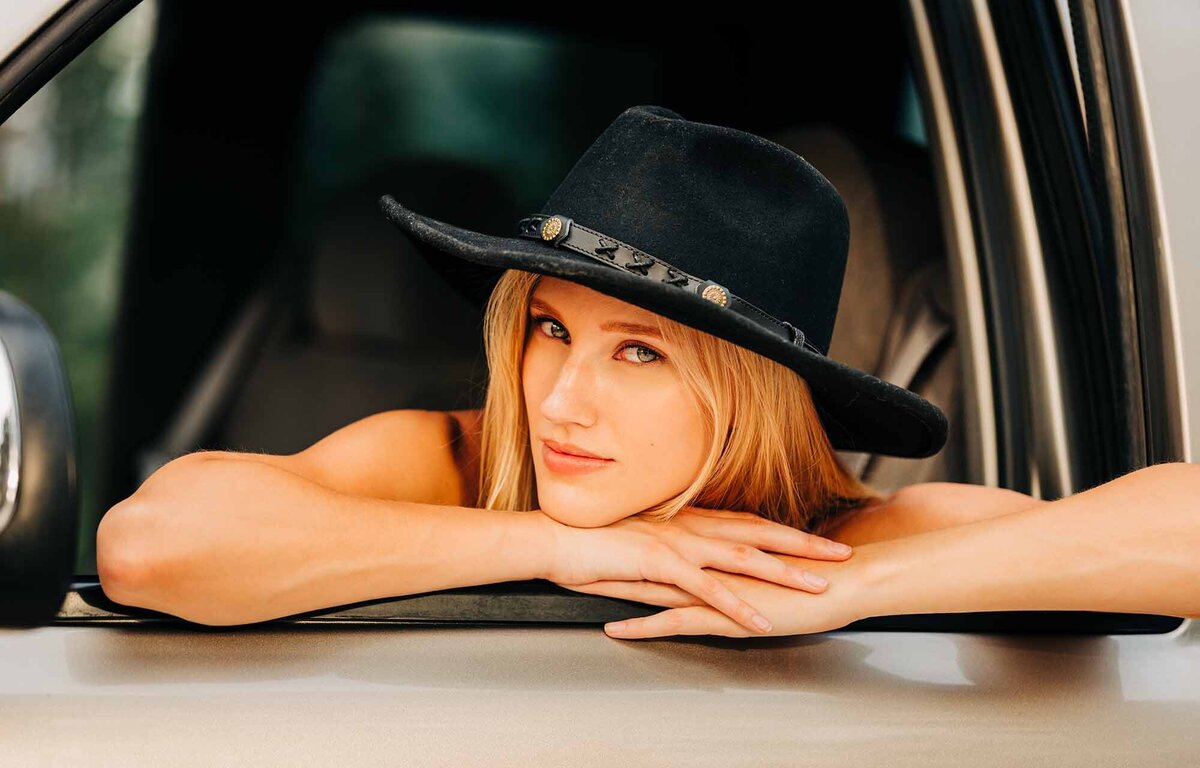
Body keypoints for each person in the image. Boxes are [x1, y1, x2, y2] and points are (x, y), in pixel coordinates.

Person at [96, 105, 1198, 633]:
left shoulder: (824, 537)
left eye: (641, 350)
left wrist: (845, 590)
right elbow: (151, 546)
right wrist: (565, 542)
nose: (561, 399)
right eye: (552, 329)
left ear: (752, 389)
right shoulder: (444, 458)